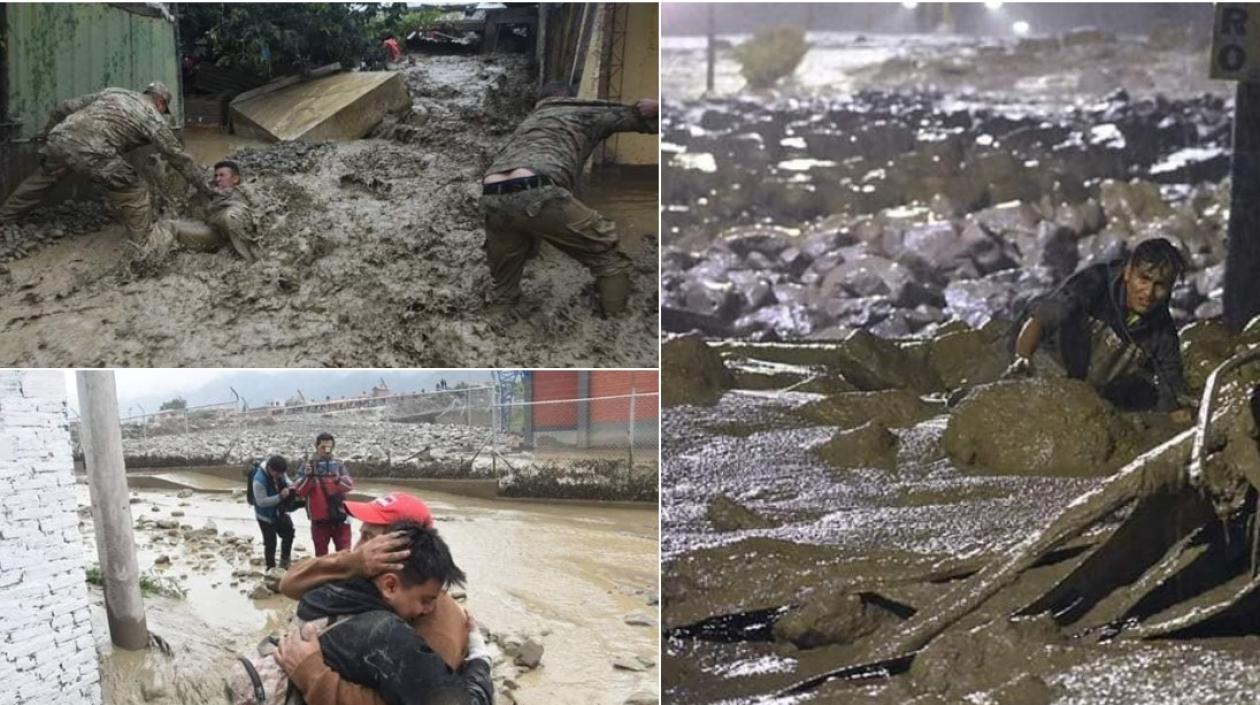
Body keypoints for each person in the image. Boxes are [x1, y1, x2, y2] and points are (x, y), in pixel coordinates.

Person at [479, 82, 659, 318]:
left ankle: (492, 336)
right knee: (608, 257)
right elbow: (642, 117)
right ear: (569, 97)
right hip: (539, 188)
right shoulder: (580, 110)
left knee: (503, 289)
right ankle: (616, 330)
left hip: (492, 194)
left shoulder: (530, 121)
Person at [274, 493, 472, 705]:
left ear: (402, 547)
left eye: (369, 537)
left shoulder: (436, 621)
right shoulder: (367, 571)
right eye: (360, 535)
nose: (359, 547)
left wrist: (314, 676)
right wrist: (353, 562)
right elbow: (289, 584)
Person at [1007, 237, 1193, 421]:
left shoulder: (1163, 332)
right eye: (1144, 279)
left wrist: (1176, 412)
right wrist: (1022, 357)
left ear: (1170, 288)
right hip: (1035, 352)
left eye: (1160, 285)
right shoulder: (1094, 282)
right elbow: (1043, 318)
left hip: (1082, 391)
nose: (1149, 293)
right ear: (1128, 272)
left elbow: (1171, 390)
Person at [0, 81, 213, 239]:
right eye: (164, 109)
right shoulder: (152, 118)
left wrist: (47, 132)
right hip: (92, 151)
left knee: (42, 180)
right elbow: (180, 159)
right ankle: (145, 245)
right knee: (135, 188)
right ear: (160, 101)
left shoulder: (114, 92)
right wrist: (205, 187)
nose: (163, 113)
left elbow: (64, 107)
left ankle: (5, 218)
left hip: (60, 138)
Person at [163, 160, 260, 260]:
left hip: (235, 224)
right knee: (169, 225)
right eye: (216, 176)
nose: (217, 179)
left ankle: (249, 260)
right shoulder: (212, 192)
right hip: (214, 233)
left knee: (231, 216)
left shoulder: (244, 191)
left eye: (222, 175)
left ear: (235, 179)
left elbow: (258, 211)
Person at [293, 432, 354, 556]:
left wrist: (338, 479)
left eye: (329, 448)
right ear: (316, 447)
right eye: (323, 447)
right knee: (321, 556)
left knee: (345, 555)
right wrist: (309, 477)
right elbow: (299, 491)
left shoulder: (338, 464)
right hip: (319, 521)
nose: (327, 451)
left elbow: (350, 486)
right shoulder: (307, 466)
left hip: (340, 518)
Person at [253, 455, 297, 570]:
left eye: (282, 473)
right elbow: (261, 502)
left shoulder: (280, 472)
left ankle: (285, 561)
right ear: (270, 469)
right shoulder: (259, 480)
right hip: (265, 516)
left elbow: (288, 481)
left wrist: (291, 487)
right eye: (277, 474)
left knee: (289, 533)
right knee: (270, 543)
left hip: (280, 511)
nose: (280, 476)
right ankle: (270, 568)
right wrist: (280, 496)